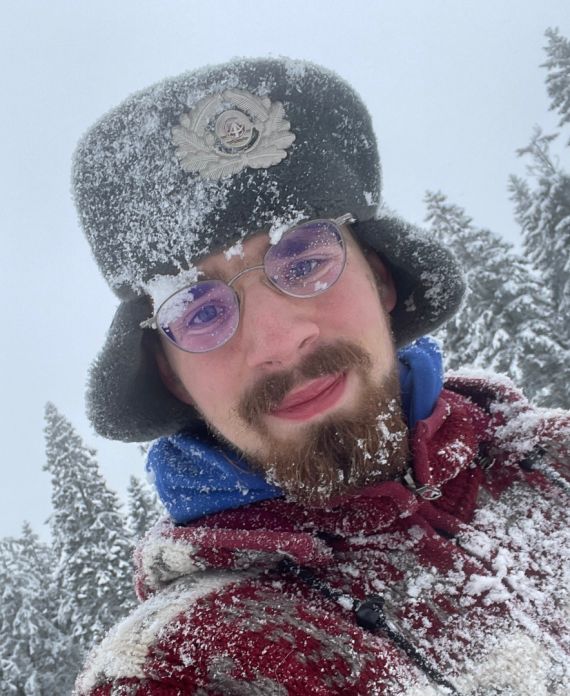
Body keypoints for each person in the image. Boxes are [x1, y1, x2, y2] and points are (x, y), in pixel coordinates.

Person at [72, 58, 569, 695]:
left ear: (381, 280)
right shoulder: (181, 666)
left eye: (304, 261)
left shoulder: (553, 460)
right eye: (199, 311)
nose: (279, 343)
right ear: (171, 376)